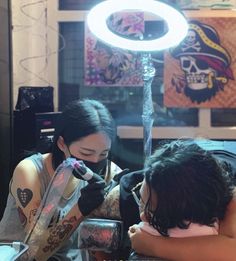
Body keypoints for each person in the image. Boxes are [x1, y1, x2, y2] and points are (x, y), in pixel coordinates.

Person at [0, 99, 121, 261]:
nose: (95, 160)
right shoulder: (30, 172)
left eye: (103, 154)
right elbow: (35, 252)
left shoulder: (106, 171)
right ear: (62, 143)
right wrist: (80, 209)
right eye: (86, 153)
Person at [93, 139, 236, 261]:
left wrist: (152, 245)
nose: (143, 216)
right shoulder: (129, 194)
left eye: (161, 218)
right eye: (142, 202)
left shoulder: (229, 201)